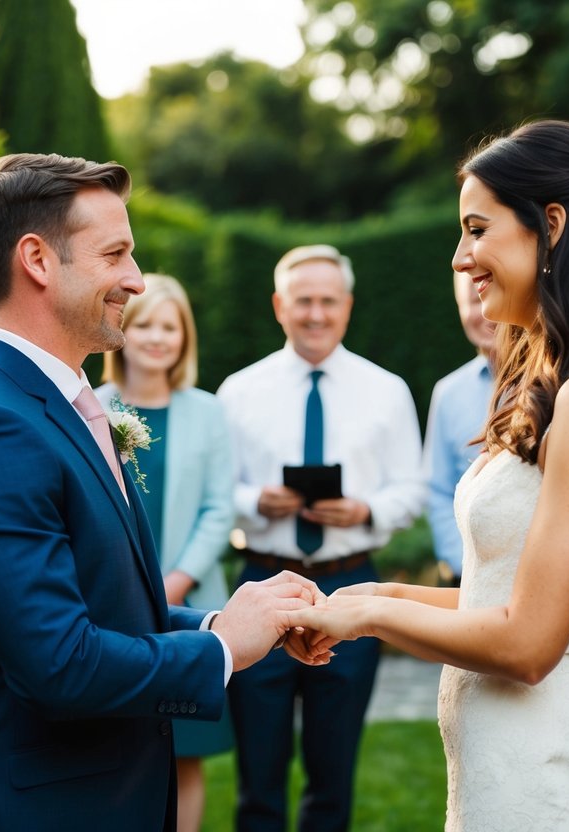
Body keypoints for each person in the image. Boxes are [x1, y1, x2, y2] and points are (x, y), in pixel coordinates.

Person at [285, 120, 569, 830]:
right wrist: (372, 595)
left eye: (476, 230)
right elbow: (497, 597)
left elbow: (528, 644)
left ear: (550, 225)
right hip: (505, 775)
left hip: (550, 784)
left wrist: (371, 617)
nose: (460, 258)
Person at [0, 153, 323, 832]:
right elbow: (59, 665)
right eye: (115, 254)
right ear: (37, 259)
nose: (136, 279)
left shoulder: (59, 404)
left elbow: (102, 605)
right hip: (36, 811)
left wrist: (230, 622)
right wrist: (221, 649)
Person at [217, 243, 426, 832]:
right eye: (303, 301)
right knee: (258, 772)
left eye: (328, 302)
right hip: (261, 583)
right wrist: (254, 502)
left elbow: (412, 488)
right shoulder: (239, 391)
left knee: (334, 770)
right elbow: (217, 490)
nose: (316, 314)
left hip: (349, 585)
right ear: (279, 306)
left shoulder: (386, 390)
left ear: (347, 306)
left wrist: (365, 510)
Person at [97, 273, 235, 832]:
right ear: (122, 328)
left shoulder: (208, 411)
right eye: (145, 324)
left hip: (188, 605)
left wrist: (173, 582)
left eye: (170, 327)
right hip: (109, 604)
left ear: (185, 339)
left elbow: (219, 509)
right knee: (114, 746)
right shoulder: (90, 406)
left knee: (184, 750)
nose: (157, 338)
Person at [423, 271, 497, 586]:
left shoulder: (559, 382)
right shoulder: (448, 392)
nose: (485, 313)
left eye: (490, 298)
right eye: (472, 302)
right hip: (465, 577)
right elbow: (437, 488)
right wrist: (462, 562)